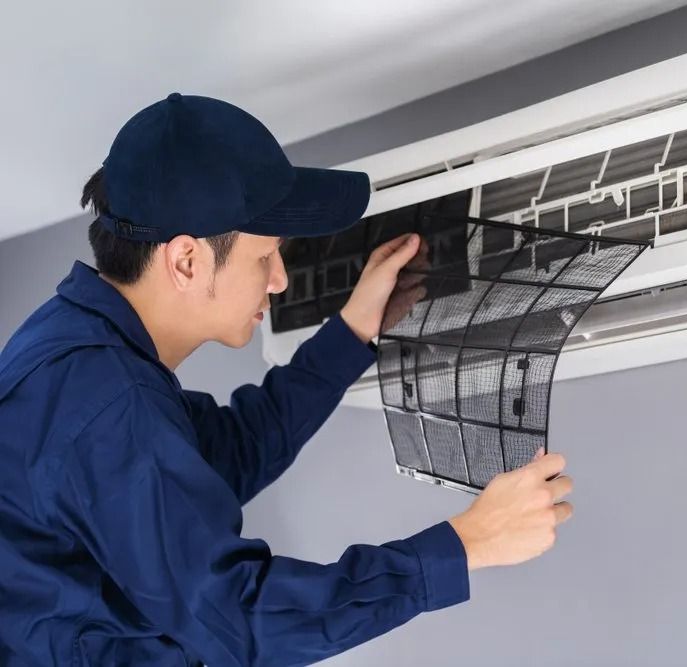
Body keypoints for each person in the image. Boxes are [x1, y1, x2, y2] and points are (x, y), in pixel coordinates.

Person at [0, 93, 574, 666]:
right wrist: (467, 544)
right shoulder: (105, 402)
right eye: (265, 256)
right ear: (186, 261)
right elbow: (239, 617)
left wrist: (352, 330)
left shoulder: (81, 360)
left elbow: (230, 452)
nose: (278, 281)